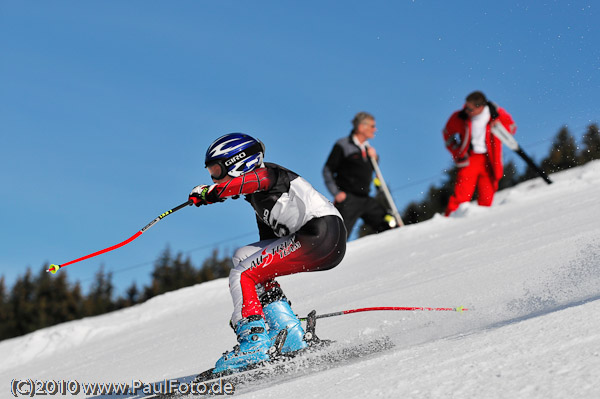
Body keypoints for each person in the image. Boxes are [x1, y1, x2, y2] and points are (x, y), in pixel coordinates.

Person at [188, 133, 346, 374]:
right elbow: (269, 244)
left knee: (243, 275)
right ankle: (290, 334)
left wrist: (211, 193)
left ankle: (254, 343)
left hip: (320, 234)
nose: (214, 177)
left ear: (239, 162)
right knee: (244, 258)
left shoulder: (270, 174)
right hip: (319, 239)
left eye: (217, 170)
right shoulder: (257, 198)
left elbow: (246, 182)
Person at [323, 111, 396, 239]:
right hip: (348, 199)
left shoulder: (368, 149)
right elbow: (327, 170)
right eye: (372, 126)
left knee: (388, 223)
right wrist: (337, 193)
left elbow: (372, 171)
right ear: (362, 127)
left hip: (365, 198)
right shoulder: (343, 145)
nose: (375, 129)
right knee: (339, 237)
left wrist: (376, 158)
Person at [442, 91, 517, 216]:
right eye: (465, 107)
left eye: (470, 109)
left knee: (487, 197)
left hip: (490, 160)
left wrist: (500, 126)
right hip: (470, 159)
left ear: (480, 107)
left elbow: (512, 128)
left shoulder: (496, 114)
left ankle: (482, 223)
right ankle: (449, 219)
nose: (466, 110)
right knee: (461, 195)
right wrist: (457, 150)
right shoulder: (460, 117)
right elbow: (447, 133)